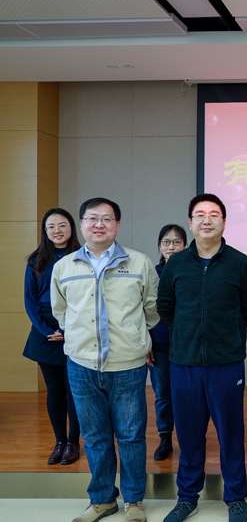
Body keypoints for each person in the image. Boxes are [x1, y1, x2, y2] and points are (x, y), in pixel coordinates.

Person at [51, 197, 159, 522]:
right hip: (81, 366)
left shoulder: (139, 263)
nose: (99, 225)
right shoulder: (64, 267)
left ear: (117, 224)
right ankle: (101, 500)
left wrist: (134, 339)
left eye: (107, 219)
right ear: (82, 223)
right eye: (92, 218)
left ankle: (134, 500)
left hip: (127, 366)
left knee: (131, 436)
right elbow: (61, 312)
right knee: (95, 437)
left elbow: (152, 310)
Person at [158, 193, 247, 522]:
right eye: (200, 214)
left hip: (225, 364)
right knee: (188, 434)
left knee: (230, 433)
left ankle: (236, 497)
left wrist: (229, 332)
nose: (207, 219)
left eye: (214, 214)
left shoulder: (239, 263)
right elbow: (165, 307)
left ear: (224, 221)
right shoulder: (176, 264)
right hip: (184, 363)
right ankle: (187, 497)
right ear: (190, 222)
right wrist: (187, 334)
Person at [23, 207, 81, 466]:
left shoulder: (81, 256)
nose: (57, 230)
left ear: (72, 227)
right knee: (54, 391)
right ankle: (59, 441)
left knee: (74, 391)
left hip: (76, 329)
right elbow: (30, 301)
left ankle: (73, 442)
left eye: (62, 225)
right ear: (44, 231)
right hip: (45, 330)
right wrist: (47, 331)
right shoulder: (36, 260)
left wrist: (68, 330)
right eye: (51, 226)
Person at [149, 224, 186, 462]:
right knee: (162, 393)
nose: (171, 247)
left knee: (186, 394)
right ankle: (165, 438)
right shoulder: (152, 274)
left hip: (186, 345)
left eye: (176, 242)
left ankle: (188, 438)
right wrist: (146, 343)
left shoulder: (192, 272)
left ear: (185, 245)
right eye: (166, 242)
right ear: (160, 246)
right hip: (159, 343)